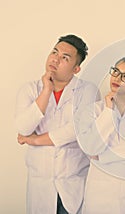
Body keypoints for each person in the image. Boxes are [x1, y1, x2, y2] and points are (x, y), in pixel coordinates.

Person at [15, 34, 100, 214]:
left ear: (76, 68)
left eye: (64, 58)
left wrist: (34, 140)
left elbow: (76, 130)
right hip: (40, 186)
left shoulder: (88, 91)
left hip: (72, 185)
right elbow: (23, 127)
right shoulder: (30, 89)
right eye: (55, 52)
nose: (55, 59)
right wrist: (46, 91)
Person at [75, 56, 125, 214]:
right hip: (102, 193)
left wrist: (104, 157)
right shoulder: (93, 111)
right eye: (116, 72)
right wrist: (108, 111)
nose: (117, 78)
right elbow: (91, 148)